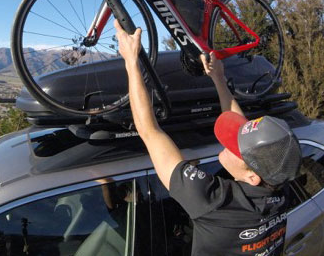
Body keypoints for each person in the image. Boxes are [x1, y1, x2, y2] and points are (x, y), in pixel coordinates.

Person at [114, 20, 302, 256]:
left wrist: (131, 61)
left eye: (235, 146)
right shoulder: (279, 185)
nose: (226, 141)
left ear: (252, 176)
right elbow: (240, 124)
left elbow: (149, 132)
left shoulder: (216, 202)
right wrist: (218, 78)